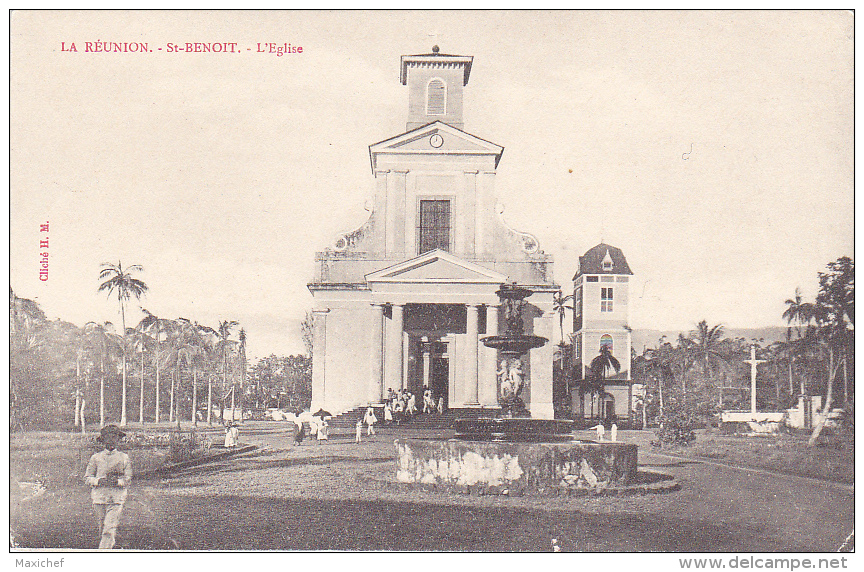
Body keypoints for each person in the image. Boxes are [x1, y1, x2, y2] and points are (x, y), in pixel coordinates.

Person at [84, 425, 132, 549]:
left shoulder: (123, 457)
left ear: (118, 439)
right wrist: (99, 481)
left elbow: (128, 479)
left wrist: (117, 482)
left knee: (109, 528)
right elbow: (87, 478)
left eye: (114, 437)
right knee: (102, 528)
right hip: (99, 498)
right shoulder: (96, 458)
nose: (111, 440)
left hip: (116, 498)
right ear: (103, 440)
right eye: (108, 437)